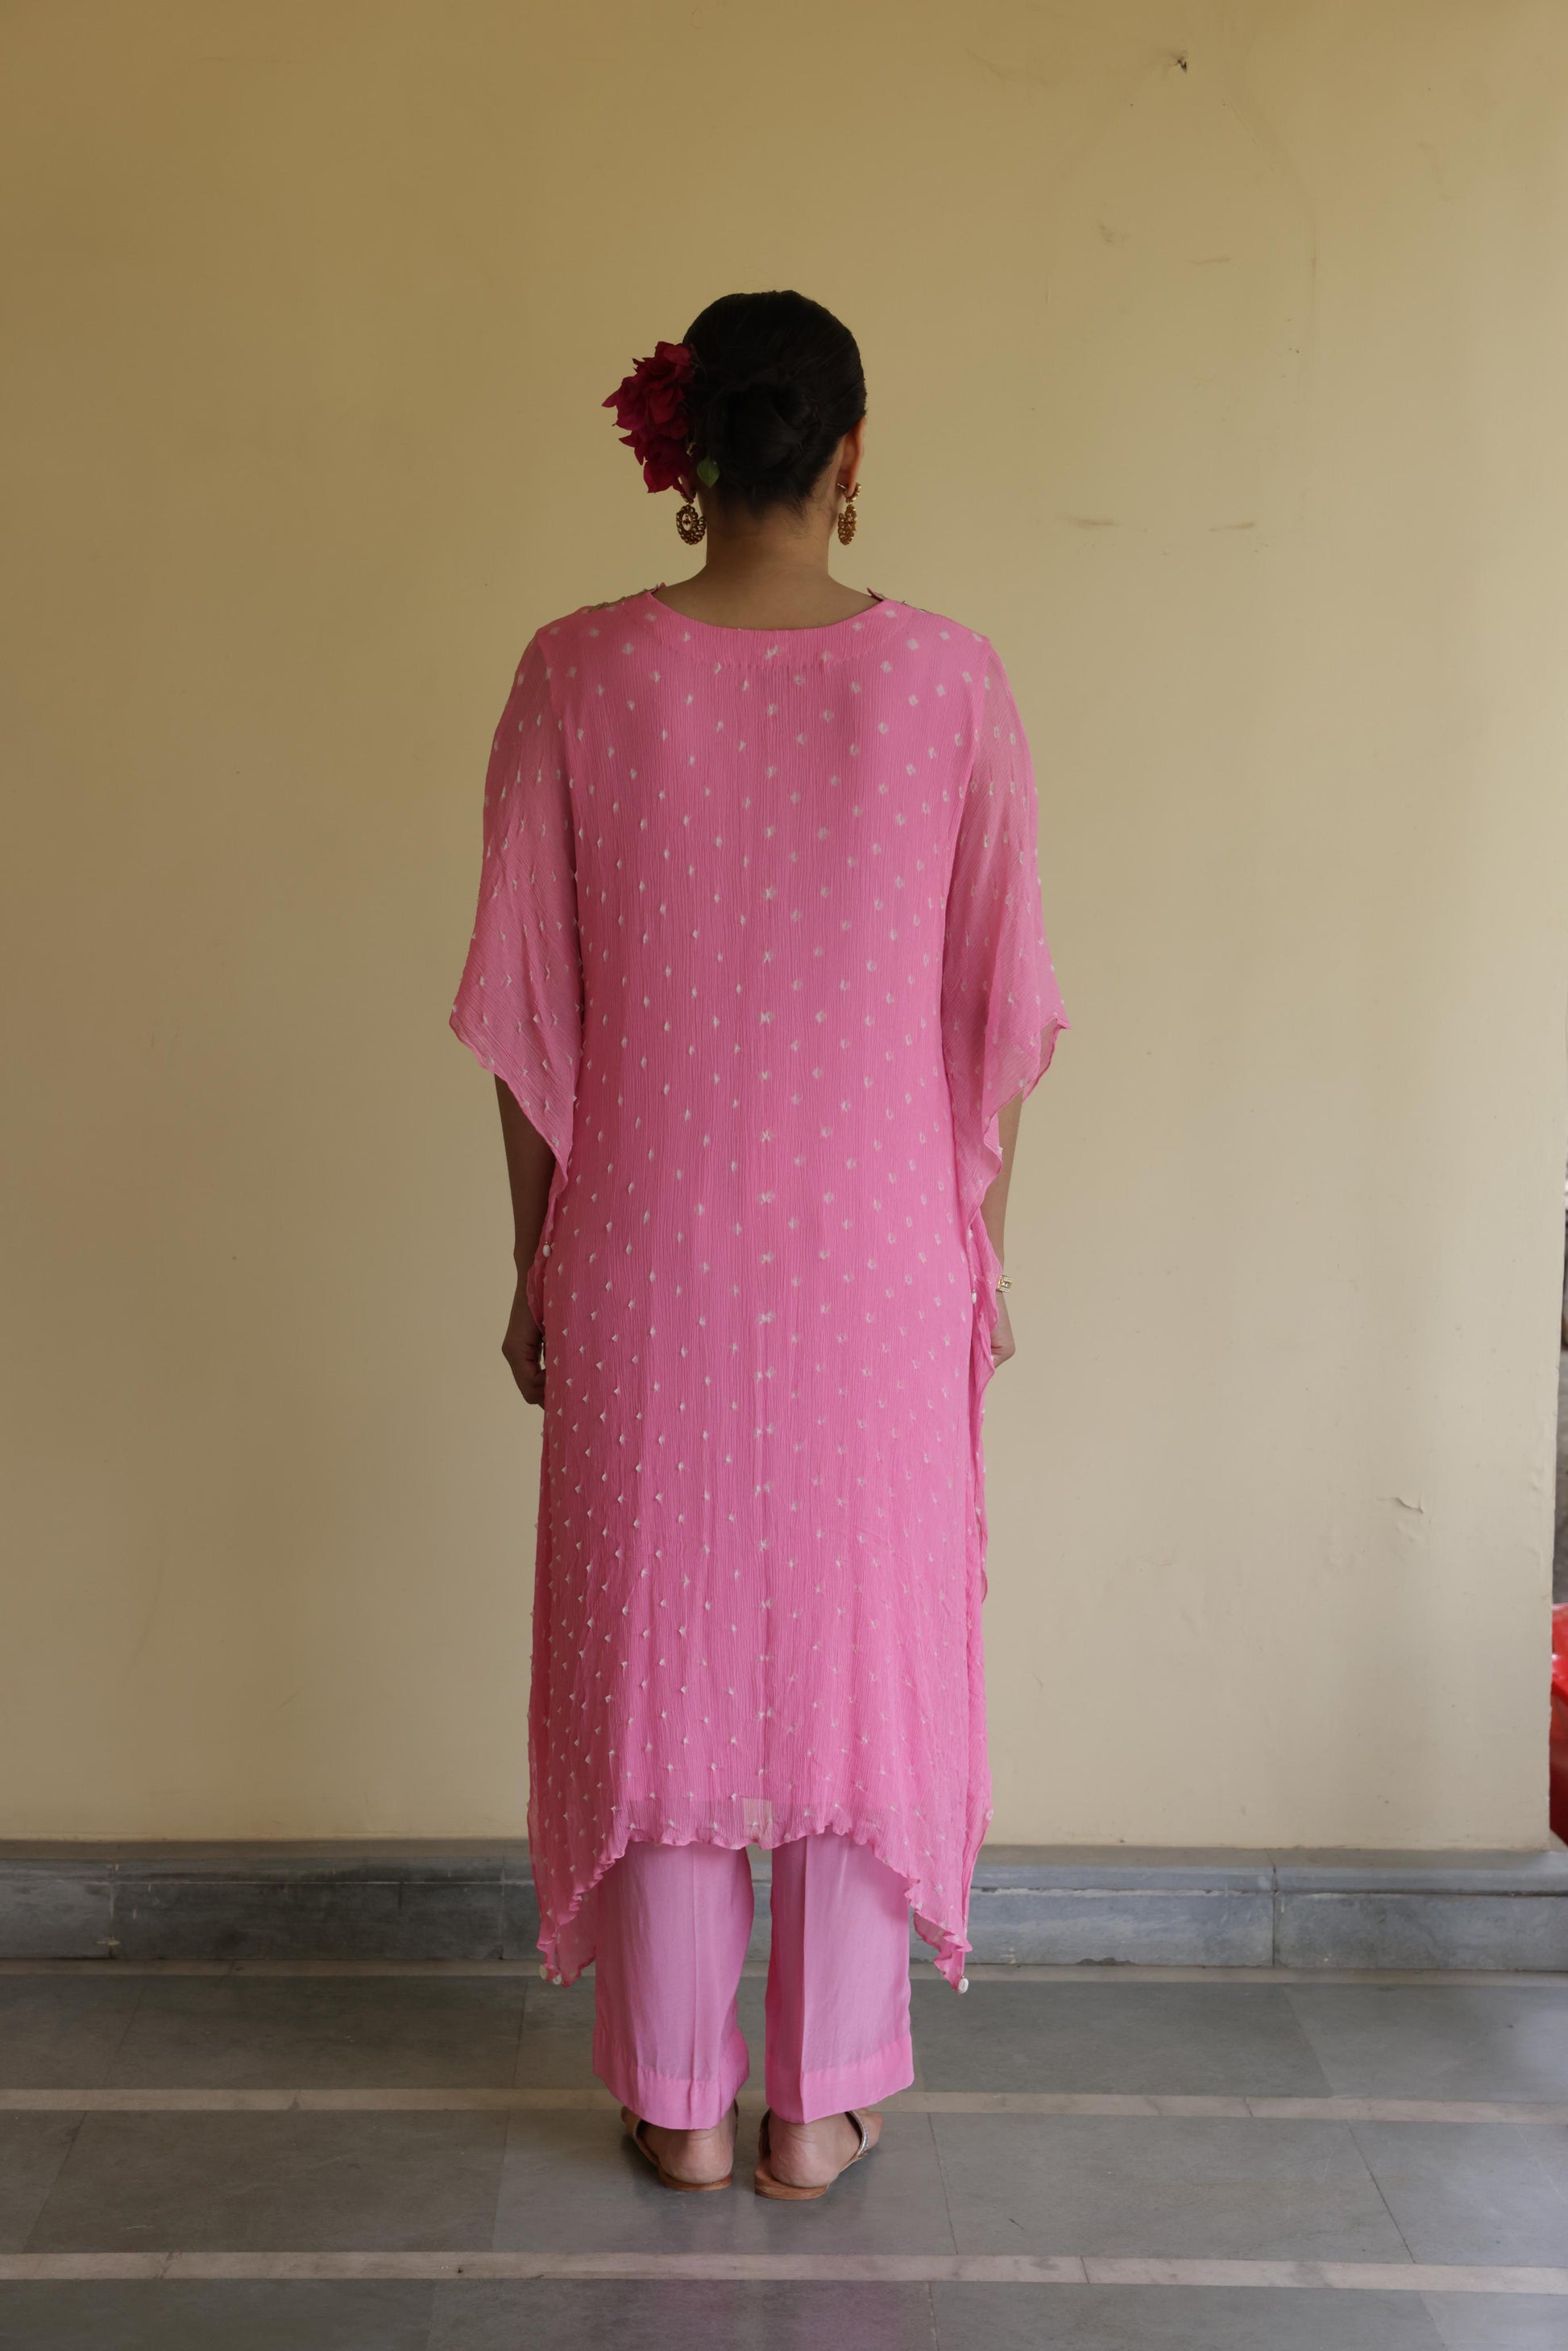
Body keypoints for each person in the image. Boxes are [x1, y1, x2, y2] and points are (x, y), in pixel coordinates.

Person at [450, 290, 1068, 2198]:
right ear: (850, 454)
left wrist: (535, 1257)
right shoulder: (950, 681)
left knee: (663, 1640)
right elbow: (997, 1013)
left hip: (648, 1248)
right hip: (883, 1258)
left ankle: (675, 2099)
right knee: (862, 1649)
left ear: (685, 447)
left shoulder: (576, 673)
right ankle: (819, 2100)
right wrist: (980, 1251)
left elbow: (527, 1013)